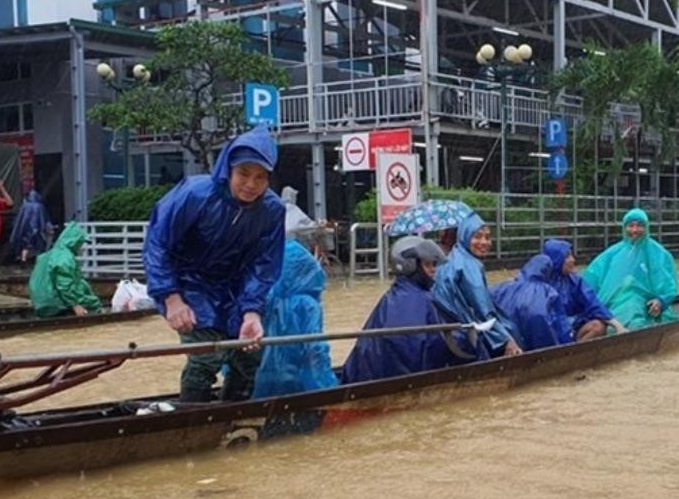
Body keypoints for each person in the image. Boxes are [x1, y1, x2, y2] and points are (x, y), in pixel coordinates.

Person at [144, 126, 285, 403]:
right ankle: (190, 420)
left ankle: (234, 415)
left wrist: (252, 312)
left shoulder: (271, 210)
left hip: (233, 286)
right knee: (205, 356)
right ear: (229, 169)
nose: (251, 184)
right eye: (244, 174)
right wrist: (170, 297)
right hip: (187, 282)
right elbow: (157, 243)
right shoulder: (196, 194)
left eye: (260, 177)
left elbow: (263, 264)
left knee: (250, 353)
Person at [341, 236, 482, 384]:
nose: (433, 270)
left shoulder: (395, 295)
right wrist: (469, 339)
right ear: (411, 265)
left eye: (434, 264)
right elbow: (435, 345)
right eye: (427, 265)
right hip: (394, 381)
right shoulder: (419, 299)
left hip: (362, 377)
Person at [251, 241, 339, 399]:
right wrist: (328, 386)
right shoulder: (308, 305)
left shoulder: (265, 302)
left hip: (264, 381)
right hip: (299, 382)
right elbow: (315, 350)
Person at [431, 212, 522, 357]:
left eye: (487, 237)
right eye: (477, 236)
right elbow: (484, 310)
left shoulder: (454, 256)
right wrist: (507, 340)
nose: (484, 242)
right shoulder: (469, 266)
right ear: (465, 236)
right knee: (513, 330)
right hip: (460, 332)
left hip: (446, 325)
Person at [583, 207, 679, 329]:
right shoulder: (612, 253)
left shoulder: (658, 253)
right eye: (630, 225)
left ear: (646, 227)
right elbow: (590, 280)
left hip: (644, 305)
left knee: (634, 319)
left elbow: (669, 284)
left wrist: (661, 301)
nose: (634, 230)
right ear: (624, 227)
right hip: (612, 304)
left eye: (640, 225)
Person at [541, 238, 622, 341]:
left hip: (571, 326)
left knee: (598, 326)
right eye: (567, 257)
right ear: (556, 259)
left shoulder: (574, 280)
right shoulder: (542, 283)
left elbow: (592, 301)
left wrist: (617, 325)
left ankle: (573, 353)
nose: (573, 260)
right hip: (549, 332)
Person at [491, 254, 571, 351]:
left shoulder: (502, 287)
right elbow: (560, 323)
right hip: (539, 348)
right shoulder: (547, 291)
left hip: (505, 343)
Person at [27, 223, 103, 318]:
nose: (81, 247)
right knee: (94, 306)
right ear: (75, 242)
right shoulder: (65, 257)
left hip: (40, 301)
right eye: (80, 243)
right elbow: (64, 285)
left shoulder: (48, 254)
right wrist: (75, 305)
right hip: (54, 302)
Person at [8, 189, 53, 265]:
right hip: (37, 229)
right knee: (38, 246)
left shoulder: (24, 206)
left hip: (25, 229)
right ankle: (37, 262)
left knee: (25, 246)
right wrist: (49, 228)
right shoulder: (40, 206)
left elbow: (18, 220)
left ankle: (23, 259)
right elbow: (44, 219)